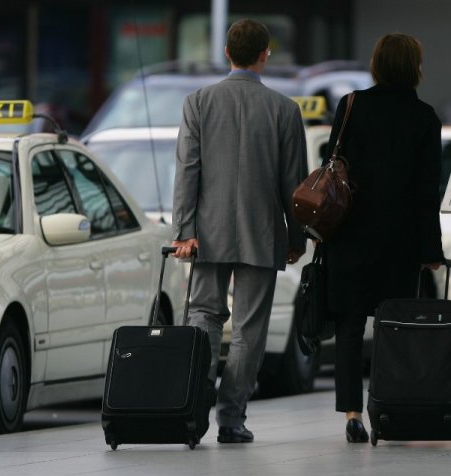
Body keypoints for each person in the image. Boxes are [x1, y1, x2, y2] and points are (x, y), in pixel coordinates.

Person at [171, 19, 308, 444]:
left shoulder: (198, 102)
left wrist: (184, 230)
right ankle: (231, 419)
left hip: (206, 235)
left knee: (203, 317)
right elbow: (295, 184)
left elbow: (187, 171)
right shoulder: (285, 110)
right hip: (262, 233)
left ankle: (193, 412)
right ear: (265, 54)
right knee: (250, 330)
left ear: (227, 53)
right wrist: (296, 236)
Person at [322, 33, 444, 443]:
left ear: (377, 64)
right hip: (400, 242)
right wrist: (431, 251)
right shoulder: (424, 117)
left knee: (350, 326)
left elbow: (330, 169)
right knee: (395, 328)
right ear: (415, 67)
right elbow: (428, 190)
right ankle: (389, 406)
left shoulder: (351, 106)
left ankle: (352, 414)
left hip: (349, 235)